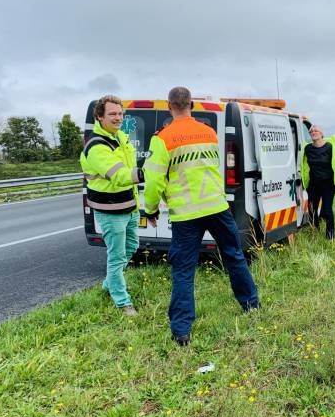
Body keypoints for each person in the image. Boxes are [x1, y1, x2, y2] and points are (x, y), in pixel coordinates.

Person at [143, 86, 259, 346]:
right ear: (191, 105)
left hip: (186, 213)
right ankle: (251, 305)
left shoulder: (162, 139)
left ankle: (181, 331)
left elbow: (153, 181)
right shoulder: (208, 132)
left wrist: (150, 209)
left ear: (169, 106)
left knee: (183, 270)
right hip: (216, 207)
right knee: (234, 256)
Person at [80, 95, 143, 317]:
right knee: (116, 257)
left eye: (120, 114)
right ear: (100, 116)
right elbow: (118, 176)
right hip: (110, 209)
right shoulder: (96, 146)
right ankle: (122, 301)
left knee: (132, 247)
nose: (118, 118)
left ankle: (109, 283)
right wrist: (147, 174)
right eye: (113, 114)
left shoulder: (121, 138)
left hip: (129, 205)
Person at [301, 124, 335, 240]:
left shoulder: (330, 147)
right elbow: (303, 164)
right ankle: (314, 232)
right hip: (314, 184)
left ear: (321, 134)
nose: (313, 132)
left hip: (329, 184)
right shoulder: (307, 149)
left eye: (316, 131)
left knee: (327, 209)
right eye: (311, 131)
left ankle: (330, 236)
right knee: (312, 209)